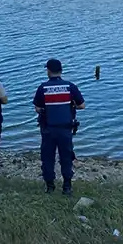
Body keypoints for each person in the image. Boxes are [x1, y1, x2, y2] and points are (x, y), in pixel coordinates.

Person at [33, 59, 85, 195]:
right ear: (61, 70)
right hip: (65, 129)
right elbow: (82, 105)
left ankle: (50, 186)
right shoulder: (70, 86)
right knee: (66, 157)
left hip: (48, 129)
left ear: (48, 71)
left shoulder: (43, 88)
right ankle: (67, 186)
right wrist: (70, 106)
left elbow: (37, 108)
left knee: (47, 157)